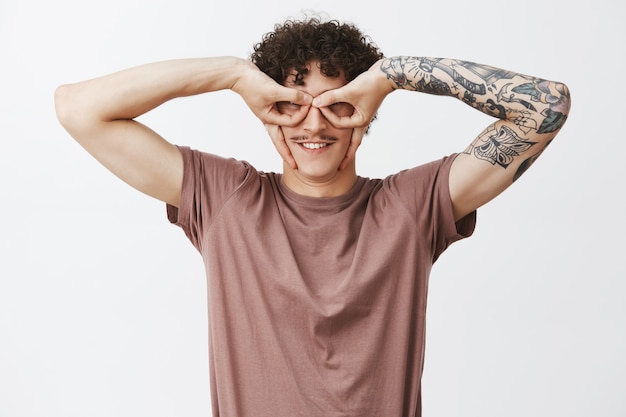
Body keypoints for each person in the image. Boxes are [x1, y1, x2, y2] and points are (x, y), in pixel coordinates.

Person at [54, 15, 571, 417]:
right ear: (266, 109)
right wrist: (232, 74)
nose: (313, 124)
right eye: (291, 103)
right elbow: (78, 108)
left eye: (336, 104)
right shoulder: (226, 198)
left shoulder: (413, 206)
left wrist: (392, 76)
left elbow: (546, 105)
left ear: (364, 115)